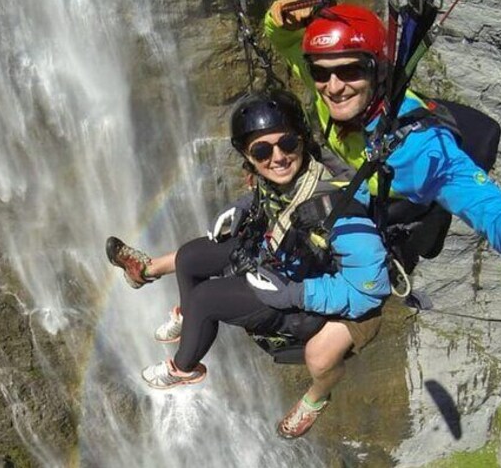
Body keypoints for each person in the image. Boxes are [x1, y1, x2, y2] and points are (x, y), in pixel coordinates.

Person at [262, 0, 501, 337]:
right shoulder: (329, 93)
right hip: (357, 180)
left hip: (397, 209)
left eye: (350, 70)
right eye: (320, 72)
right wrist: (277, 19)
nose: (334, 86)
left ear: (377, 70)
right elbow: (286, 43)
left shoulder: (422, 150)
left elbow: (492, 208)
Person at [108, 91, 393, 438]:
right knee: (190, 258)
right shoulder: (279, 180)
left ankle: (183, 367)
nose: (278, 157)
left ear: (302, 139)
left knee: (206, 299)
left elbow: (371, 289)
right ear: (247, 156)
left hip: (306, 294)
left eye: (287, 143)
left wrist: (296, 294)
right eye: (261, 150)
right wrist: (244, 207)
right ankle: (175, 303)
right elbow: (274, 201)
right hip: (280, 256)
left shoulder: (338, 208)